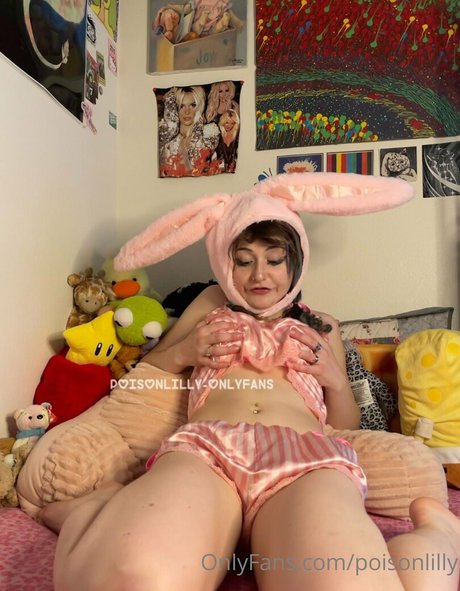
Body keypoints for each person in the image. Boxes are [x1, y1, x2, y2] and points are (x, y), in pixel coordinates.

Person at [41, 174, 460, 591]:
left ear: (295, 263)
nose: (260, 274)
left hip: (304, 460)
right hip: (206, 452)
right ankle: (93, 509)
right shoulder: (211, 303)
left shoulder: (323, 326)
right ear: (225, 264)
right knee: (131, 579)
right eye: (244, 261)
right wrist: (185, 352)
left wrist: (335, 380)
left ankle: (438, 535)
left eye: (274, 260)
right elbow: (150, 373)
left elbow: (345, 426)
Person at [159, 85, 220, 177]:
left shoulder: (208, 137)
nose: (187, 112)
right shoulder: (168, 144)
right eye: (182, 106)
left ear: (200, 107)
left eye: (193, 105)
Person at [216, 108, 240, 172]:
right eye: (226, 122)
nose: (229, 125)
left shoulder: (237, 137)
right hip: (218, 171)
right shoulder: (217, 134)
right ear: (222, 122)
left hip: (234, 172)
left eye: (232, 123)